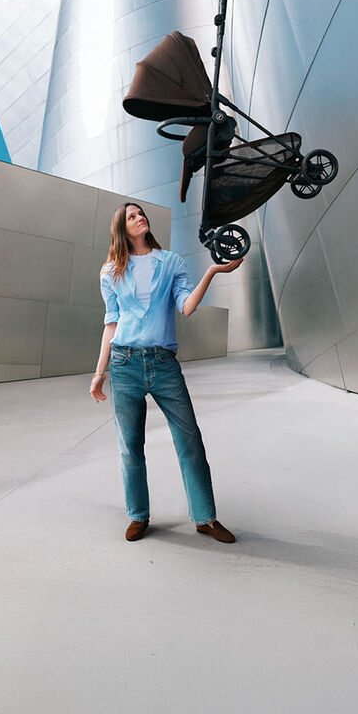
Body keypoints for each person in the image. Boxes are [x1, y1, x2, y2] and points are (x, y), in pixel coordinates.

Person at [90, 203, 242, 543]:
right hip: (124, 364)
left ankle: (206, 518)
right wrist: (99, 372)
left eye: (141, 213)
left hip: (163, 364)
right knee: (130, 445)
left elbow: (186, 308)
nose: (139, 217)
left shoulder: (171, 262)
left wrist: (213, 272)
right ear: (121, 227)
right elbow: (111, 323)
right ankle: (138, 515)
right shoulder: (110, 270)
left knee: (189, 438)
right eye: (131, 216)